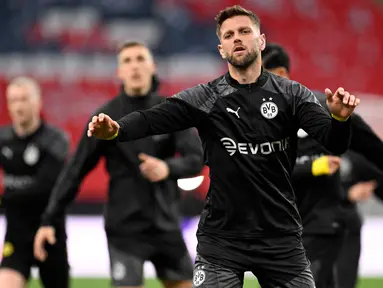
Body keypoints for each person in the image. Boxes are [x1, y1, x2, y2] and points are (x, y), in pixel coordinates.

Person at [87, 5, 360, 288]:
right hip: (221, 241)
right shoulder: (207, 97)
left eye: (244, 31)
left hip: (280, 238)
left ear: (261, 41)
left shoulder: (292, 94)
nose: (237, 38)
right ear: (221, 49)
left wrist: (340, 120)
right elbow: (153, 118)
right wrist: (117, 130)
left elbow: (334, 142)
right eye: (229, 35)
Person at [33, 41, 204, 288]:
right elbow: (75, 171)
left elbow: (196, 160)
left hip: (166, 226)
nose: (134, 66)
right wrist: (49, 219)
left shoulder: (172, 110)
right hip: (125, 231)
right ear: (119, 72)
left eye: (140, 59)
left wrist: (167, 169)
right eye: (127, 61)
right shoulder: (105, 119)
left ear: (153, 67)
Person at [262, 42, 383, 288]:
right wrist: (314, 166)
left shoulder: (320, 106)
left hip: (323, 223)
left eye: (258, 76)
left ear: (281, 74)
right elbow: (263, 171)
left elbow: (373, 150)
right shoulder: (256, 118)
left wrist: (341, 120)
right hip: (284, 228)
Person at [0, 77, 70, 288]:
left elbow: (44, 188)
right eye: (13, 100)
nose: (19, 106)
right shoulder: (3, 139)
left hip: (49, 230)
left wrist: (4, 199)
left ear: (37, 102)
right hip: (17, 232)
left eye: (24, 99)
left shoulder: (56, 140)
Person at [335, 150, 383, 288]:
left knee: (345, 282)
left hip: (346, 229)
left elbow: (377, 178)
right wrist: (347, 194)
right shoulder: (301, 149)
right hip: (311, 230)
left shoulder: (353, 153)